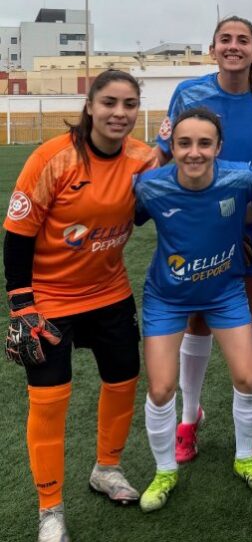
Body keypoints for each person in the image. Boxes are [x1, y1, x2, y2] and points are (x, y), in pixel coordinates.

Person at [3, 70, 155, 542]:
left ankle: (106, 469)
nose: (120, 113)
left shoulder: (143, 158)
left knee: (124, 379)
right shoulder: (53, 158)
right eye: (109, 102)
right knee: (49, 402)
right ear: (90, 106)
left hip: (109, 291)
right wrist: (22, 305)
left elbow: (150, 209)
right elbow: (18, 234)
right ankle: (50, 509)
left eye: (129, 104)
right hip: (49, 299)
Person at [155, 15, 252, 462]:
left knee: (240, 320)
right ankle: (189, 418)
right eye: (225, 39)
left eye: (243, 40)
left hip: (250, 226)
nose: (234, 46)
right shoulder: (188, 94)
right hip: (199, 230)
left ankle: (249, 417)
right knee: (197, 321)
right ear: (212, 48)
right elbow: (168, 155)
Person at [135, 108, 252, 512]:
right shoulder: (149, 187)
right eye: (184, 143)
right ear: (172, 146)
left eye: (203, 143)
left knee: (247, 378)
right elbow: (122, 217)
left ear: (218, 147)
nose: (194, 153)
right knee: (160, 389)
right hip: (167, 296)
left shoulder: (241, 178)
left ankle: (246, 456)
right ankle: (164, 471)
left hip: (225, 292)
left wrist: (251, 232)